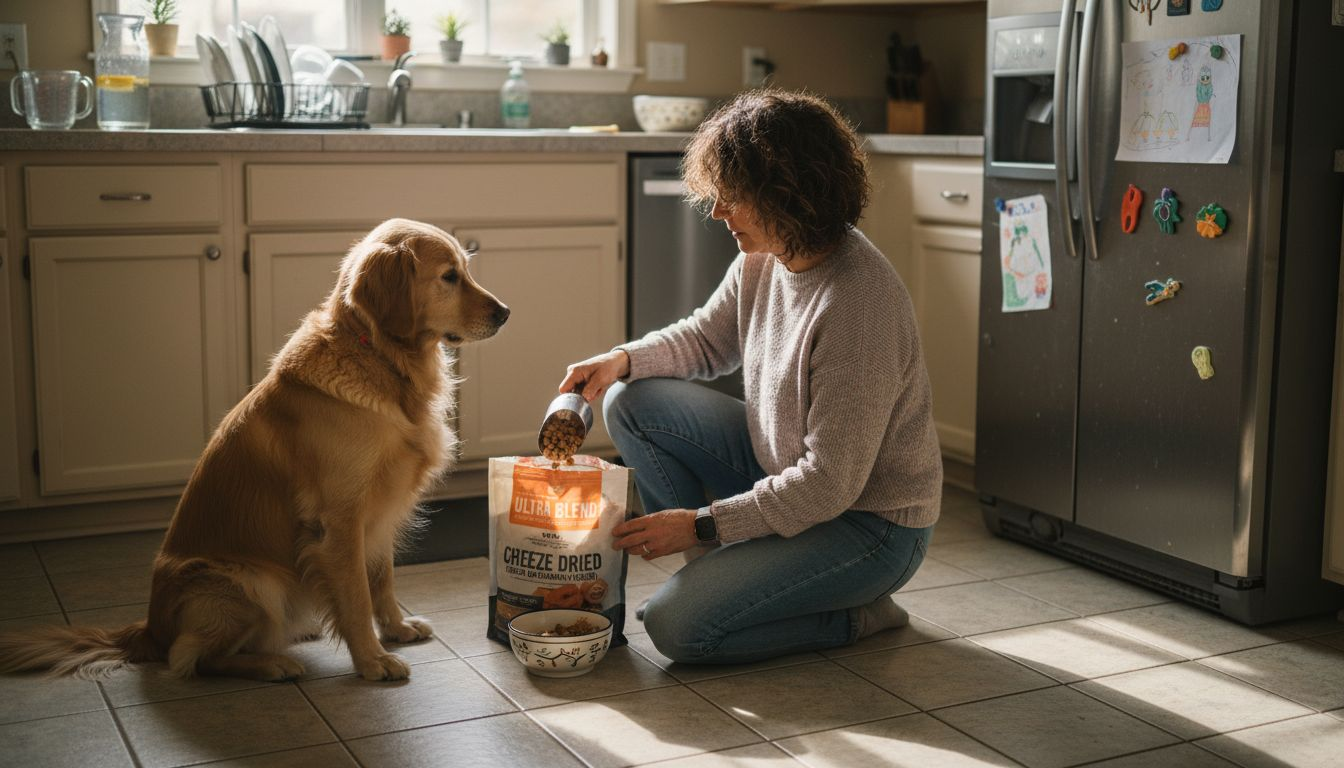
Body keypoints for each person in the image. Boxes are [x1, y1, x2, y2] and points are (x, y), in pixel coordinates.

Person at [558, 89, 942, 665]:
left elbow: (829, 484)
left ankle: (855, 616)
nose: (717, 212)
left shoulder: (859, 304)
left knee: (676, 629)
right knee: (630, 399)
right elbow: (707, 341)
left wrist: (702, 524)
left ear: (787, 193)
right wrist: (622, 358)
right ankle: (723, 581)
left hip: (870, 526)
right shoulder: (766, 255)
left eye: (732, 196)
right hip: (789, 471)